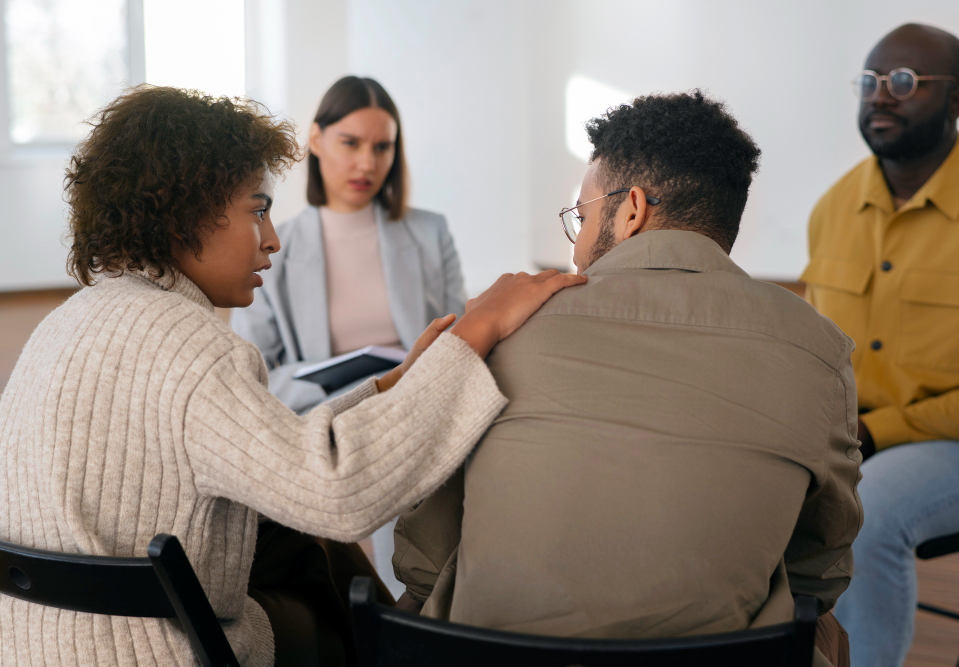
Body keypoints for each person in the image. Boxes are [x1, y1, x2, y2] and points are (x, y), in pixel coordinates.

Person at [0, 86, 585, 667]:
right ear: (185, 216)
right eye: (257, 210)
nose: (272, 238)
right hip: (163, 653)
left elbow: (275, 453)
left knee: (301, 549)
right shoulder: (190, 343)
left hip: (32, 646)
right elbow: (340, 495)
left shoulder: (65, 322)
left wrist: (398, 382)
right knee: (323, 565)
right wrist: (473, 333)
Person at [392, 91, 860, 667]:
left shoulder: (504, 323)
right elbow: (823, 562)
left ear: (631, 209)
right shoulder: (817, 345)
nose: (579, 245)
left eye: (582, 218)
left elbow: (421, 556)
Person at [800, 23, 959, 666]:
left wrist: (881, 430)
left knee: (871, 509)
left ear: (958, 101)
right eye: (871, 82)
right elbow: (813, 347)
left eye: (906, 82)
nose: (881, 96)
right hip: (854, 440)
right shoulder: (833, 208)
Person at [230, 76, 465, 595]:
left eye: (383, 146)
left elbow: (460, 340)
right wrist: (354, 384)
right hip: (331, 426)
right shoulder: (273, 244)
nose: (367, 163)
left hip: (418, 415)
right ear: (316, 141)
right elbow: (253, 375)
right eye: (351, 143)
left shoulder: (430, 233)